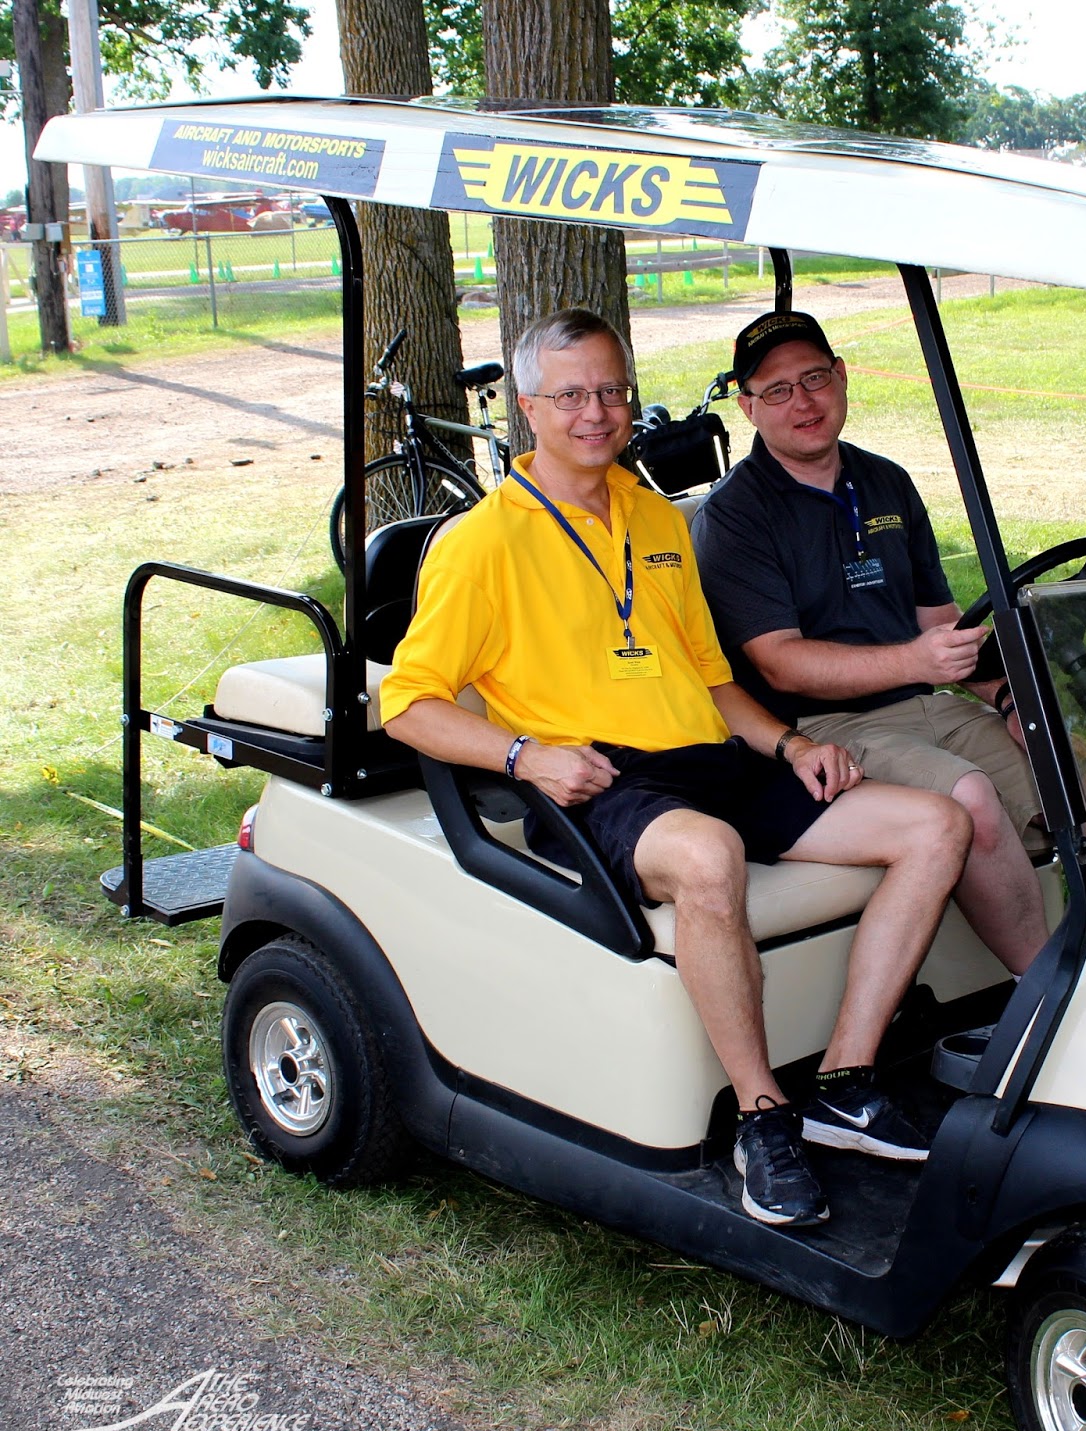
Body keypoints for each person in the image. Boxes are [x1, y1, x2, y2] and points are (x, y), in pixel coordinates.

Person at [381, 308, 971, 1230]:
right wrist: (522, 754)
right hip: (602, 781)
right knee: (707, 859)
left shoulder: (655, 515)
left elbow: (709, 674)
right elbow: (407, 703)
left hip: (711, 756)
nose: (597, 413)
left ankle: (846, 1080)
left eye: (612, 391)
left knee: (935, 825)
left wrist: (792, 744)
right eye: (571, 394)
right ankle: (762, 1114)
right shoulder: (480, 543)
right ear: (527, 408)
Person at [691, 310, 1050, 978]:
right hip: (822, 728)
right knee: (969, 797)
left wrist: (1005, 698)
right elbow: (781, 661)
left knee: (1078, 772)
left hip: (928, 705)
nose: (803, 402)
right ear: (746, 407)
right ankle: (1052, 994)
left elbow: (938, 616)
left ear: (843, 378)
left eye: (815, 378)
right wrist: (917, 660)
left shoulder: (884, 481)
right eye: (776, 391)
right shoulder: (735, 517)